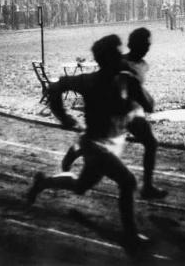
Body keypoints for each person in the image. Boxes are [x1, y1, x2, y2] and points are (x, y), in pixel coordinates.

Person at [26, 34, 154, 249]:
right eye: (116, 53)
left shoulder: (115, 79)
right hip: (95, 146)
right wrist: (63, 116)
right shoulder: (94, 80)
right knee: (128, 182)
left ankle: (44, 182)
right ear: (109, 58)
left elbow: (149, 105)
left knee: (80, 186)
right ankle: (130, 236)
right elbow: (55, 87)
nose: (121, 56)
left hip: (108, 143)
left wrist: (136, 90)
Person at [61, 28, 167, 199]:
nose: (147, 47)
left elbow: (137, 92)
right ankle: (74, 151)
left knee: (150, 143)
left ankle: (147, 186)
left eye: (148, 44)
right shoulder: (121, 62)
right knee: (99, 138)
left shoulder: (142, 64)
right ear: (134, 44)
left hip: (131, 111)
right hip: (116, 110)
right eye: (144, 43)